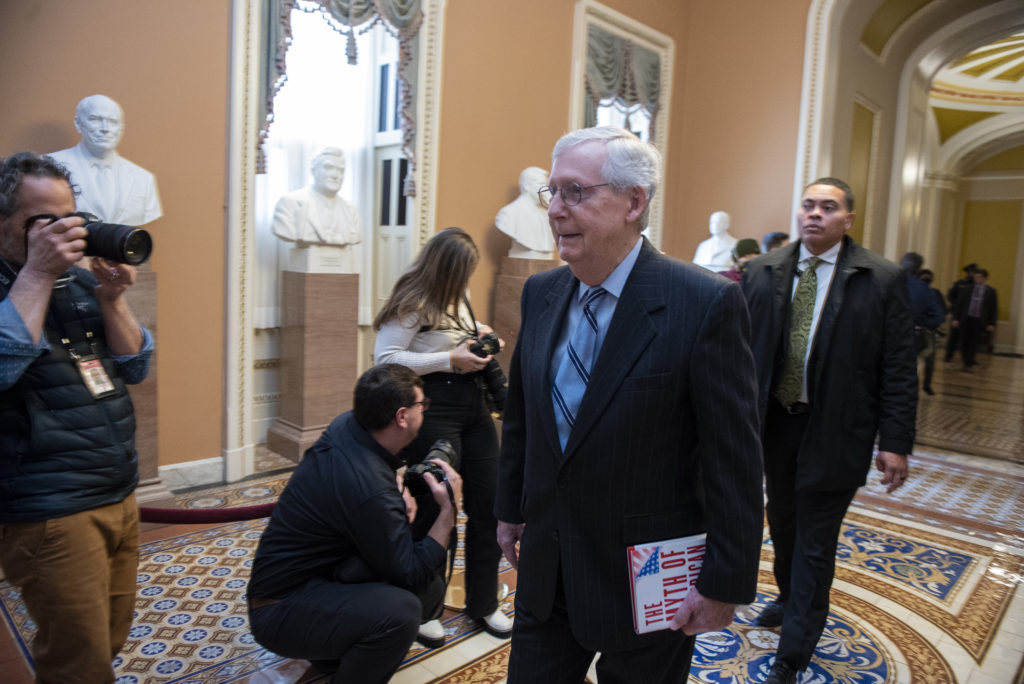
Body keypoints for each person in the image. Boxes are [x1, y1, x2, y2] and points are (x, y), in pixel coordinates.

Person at [495, 127, 764, 684]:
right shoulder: (540, 293)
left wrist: (724, 584)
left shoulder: (703, 302)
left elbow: (733, 460)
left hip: (646, 582)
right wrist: (508, 508)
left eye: (576, 192)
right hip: (547, 567)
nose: (556, 210)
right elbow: (522, 417)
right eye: (553, 193)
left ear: (633, 201)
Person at [741, 177, 916, 684]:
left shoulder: (878, 278)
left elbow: (899, 366)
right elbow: (739, 350)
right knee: (785, 521)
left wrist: (896, 442)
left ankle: (793, 654)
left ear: (848, 219)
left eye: (828, 207)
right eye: (809, 205)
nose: (815, 214)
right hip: (774, 425)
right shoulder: (764, 271)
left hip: (837, 429)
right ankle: (789, 595)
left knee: (817, 538)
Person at [0, 152, 154, 683]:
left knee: (107, 638)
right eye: (46, 221)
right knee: (77, 664)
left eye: (72, 216)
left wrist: (112, 298)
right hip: (51, 509)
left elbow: (135, 364)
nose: (67, 231)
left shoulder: (80, 282)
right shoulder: (21, 283)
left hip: (117, 490)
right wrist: (37, 271)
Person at [248, 364, 463, 684]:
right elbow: (413, 575)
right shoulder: (371, 490)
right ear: (402, 417)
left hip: (288, 587)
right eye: (422, 405)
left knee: (388, 577)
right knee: (402, 611)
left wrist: (396, 479)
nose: (425, 411)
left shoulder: (346, 425)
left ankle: (335, 654)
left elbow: (366, 479)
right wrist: (448, 510)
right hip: (279, 612)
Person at [373, 227, 512, 641]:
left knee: (489, 507)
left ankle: (484, 603)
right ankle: (425, 608)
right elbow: (386, 358)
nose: (467, 279)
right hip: (434, 408)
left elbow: (457, 329)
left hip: (473, 408)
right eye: (463, 271)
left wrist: (483, 336)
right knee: (436, 508)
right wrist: (449, 358)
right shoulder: (413, 299)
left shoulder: (457, 297)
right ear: (445, 268)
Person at [48, 94, 162, 225]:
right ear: (78, 123)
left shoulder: (143, 179)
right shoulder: (48, 167)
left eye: (112, 122)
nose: (105, 129)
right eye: (95, 119)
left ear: (121, 128)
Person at [271, 147, 363, 271]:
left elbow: (355, 236)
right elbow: (285, 231)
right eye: (328, 168)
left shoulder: (351, 209)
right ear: (313, 169)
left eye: (341, 170)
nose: (336, 175)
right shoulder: (289, 203)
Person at [899, 253, 944, 394]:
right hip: (912, 337)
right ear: (918, 268)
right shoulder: (925, 289)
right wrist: (919, 322)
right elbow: (939, 317)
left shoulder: (886, 282)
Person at [496, 166, 556, 259]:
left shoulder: (546, 215)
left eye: (547, 186)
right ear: (527, 186)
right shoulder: (508, 215)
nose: (546, 190)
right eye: (541, 184)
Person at [950, 267, 997, 370]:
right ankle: (965, 359)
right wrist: (955, 318)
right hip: (966, 318)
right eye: (976, 277)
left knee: (974, 342)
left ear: (985, 278)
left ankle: (968, 363)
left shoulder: (991, 291)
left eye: (980, 277)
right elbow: (959, 304)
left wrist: (992, 323)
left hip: (979, 320)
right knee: (964, 341)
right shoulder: (967, 289)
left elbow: (993, 308)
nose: (977, 279)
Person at [918, 269, 947, 394]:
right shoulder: (913, 292)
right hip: (915, 331)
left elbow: (943, 311)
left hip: (929, 332)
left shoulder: (935, 293)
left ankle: (927, 385)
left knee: (930, 362)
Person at [943, 263, 976, 363]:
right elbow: (950, 296)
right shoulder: (959, 284)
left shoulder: (976, 286)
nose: (972, 274)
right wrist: (957, 305)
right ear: (967, 273)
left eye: (974, 272)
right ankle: (948, 357)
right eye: (970, 272)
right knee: (954, 337)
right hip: (958, 314)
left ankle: (969, 359)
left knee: (970, 339)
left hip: (971, 315)